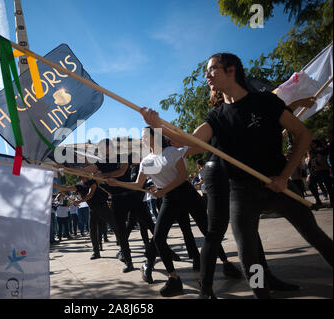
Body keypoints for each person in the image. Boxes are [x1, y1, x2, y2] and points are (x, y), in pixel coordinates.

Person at [141, 52, 333, 299]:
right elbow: (190, 142)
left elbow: (303, 135)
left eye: (212, 69)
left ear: (231, 70)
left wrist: (285, 176)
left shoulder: (265, 102)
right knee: (249, 257)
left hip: (278, 184)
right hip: (241, 193)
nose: (207, 75)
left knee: (316, 237)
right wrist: (157, 125)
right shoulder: (216, 117)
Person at [108, 127, 241, 297]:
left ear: (154, 137)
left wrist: (162, 191)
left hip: (186, 193)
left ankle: (225, 263)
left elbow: (182, 175)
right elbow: (137, 184)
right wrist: (117, 183)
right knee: (158, 238)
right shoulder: (146, 162)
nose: (142, 140)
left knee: (207, 229)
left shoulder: (172, 152)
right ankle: (174, 278)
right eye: (141, 138)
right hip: (170, 199)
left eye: (144, 136)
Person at [54, 177, 120, 260]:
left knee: (114, 226)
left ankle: (122, 246)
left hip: (103, 207)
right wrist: (55, 185)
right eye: (80, 177)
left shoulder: (93, 182)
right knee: (92, 230)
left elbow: (90, 194)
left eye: (82, 176)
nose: (81, 178)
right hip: (92, 209)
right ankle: (96, 252)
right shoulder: (79, 186)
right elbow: (66, 188)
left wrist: (80, 201)